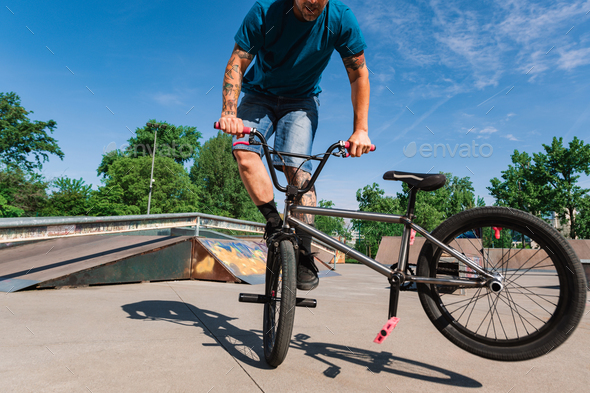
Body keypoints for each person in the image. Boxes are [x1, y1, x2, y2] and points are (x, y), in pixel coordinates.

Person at [217, 0, 371, 290]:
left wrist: (360, 130)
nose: (312, 2)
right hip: (259, 94)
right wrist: (229, 112)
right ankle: (274, 224)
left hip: (301, 101)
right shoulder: (265, 11)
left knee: (298, 170)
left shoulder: (340, 19)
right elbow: (238, 60)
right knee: (244, 152)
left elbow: (358, 74)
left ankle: (303, 251)